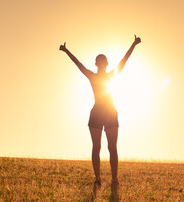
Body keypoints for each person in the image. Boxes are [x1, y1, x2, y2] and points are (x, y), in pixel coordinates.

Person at [59, 35, 141, 187]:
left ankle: (112, 179)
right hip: (98, 112)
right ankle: (100, 179)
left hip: (108, 112)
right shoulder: (94, 76)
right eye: (100, 61)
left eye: (103, 61)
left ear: (102, 63)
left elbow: (124, 60)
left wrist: (134, 44)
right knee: (99, 147)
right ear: (97, 63)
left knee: (110, 147)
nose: (102, 63)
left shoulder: (106, 75)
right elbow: (78, 64)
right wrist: (66, 51)